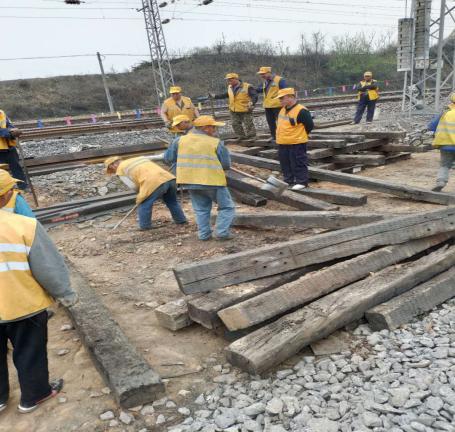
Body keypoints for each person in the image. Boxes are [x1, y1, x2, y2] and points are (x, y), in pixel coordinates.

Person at [0, 211, 77, 414]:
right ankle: (34, 395)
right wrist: (65, 293)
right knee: (29, 352)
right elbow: (48, 268)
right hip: (22, 305)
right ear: (5, 194)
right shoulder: (24, 225)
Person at [164, 115, 235, 241]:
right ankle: (222, 233)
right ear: (205, 128)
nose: (215, 130)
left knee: (201, 209)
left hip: (189, 181)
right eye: (213, 127)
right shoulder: (215, 142)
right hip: (213, 181)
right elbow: (226, 165)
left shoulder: (179, 141)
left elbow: (168, 159)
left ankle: (204, 235)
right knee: (227, 207)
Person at [104, 156, 187, 230]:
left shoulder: (120, 170)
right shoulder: (137, 159)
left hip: (153, 182)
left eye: (111, 169)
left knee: (144, 203)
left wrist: (141, 194)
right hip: (169, 178)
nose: (113, 170)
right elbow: (156, 161)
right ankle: (181, 220)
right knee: (171, 201)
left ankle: (145, 226)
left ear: (112, 165)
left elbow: (133, 186)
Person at [275, 88, 314, 191]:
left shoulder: (301, 110)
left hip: (296, 142)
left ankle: (302, 181)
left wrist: (299, 135)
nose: (280, 100)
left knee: (298, 162)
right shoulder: (283, 109)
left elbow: (309, 125)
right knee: (285, 163)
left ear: (290, 97)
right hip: (283, 142)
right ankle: (288, 180)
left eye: (282, 98)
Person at [210, 73, 258, 141]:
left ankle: (252, 136)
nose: (229, 82)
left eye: (230, 80)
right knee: (234, 123)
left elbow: (254, 95)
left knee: (248, 123)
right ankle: (241, 136)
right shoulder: (230, 87)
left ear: (236, 79)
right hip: (233, 109)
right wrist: (215, 96)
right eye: (228, 80)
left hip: (245, 108)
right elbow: (227, 94)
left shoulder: (247, 86)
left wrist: (252, 102)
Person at [429, 93, 455, 191]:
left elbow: (431, 126)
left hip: (446, 146)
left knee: (444, 165)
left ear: (452, 102)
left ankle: (441, 182)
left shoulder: (445, 113)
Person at [257, 66, 287, 140]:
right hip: (268, 106)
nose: (262, 76)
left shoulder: (280, 80)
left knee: (282, 122)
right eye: (261, 74)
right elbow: (260, 90)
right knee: (271, 122)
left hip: (278, 105)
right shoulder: (265, 82)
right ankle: (274, 136)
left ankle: (284, 136)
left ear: (269, 72)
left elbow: (285, 91)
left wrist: (285, 103)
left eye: (263, 74)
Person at [0, 110, 26, 189]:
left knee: (16, 167)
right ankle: (3, 190)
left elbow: (8, 124)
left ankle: (23, 186)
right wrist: (8, 132)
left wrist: (13, 130)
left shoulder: (1, 113)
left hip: (8, 147)